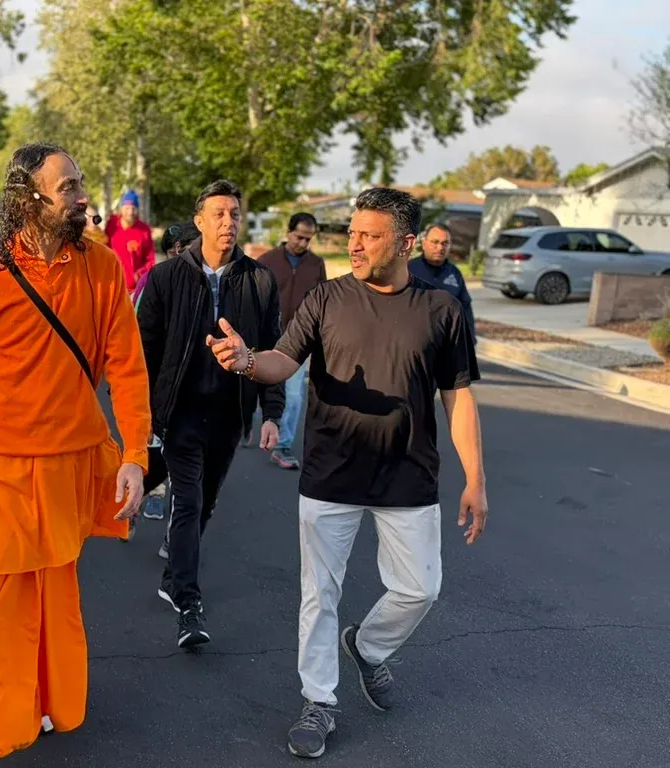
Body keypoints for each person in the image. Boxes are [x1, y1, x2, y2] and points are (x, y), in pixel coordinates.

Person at [207, 187, 488, 759]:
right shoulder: (327, 297)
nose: (354, 244)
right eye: (352, 233)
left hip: (408, 473)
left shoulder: (442, 309)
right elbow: (284, 360)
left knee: (420, 587)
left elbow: (457, 397)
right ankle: (319, 701)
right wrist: (248, 361)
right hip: (331, 471)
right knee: (320, 594)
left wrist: (476, 478)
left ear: (406, 242)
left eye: (369, 235)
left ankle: (369, 645)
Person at [0, 142, 151, 768]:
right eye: (69, 187)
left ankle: (48, 701)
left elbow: (127, 368)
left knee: (55, 590)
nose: (83, 197)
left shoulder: (103, 267)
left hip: (71, 461)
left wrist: (135, 453)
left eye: (81, 184)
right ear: (28, 198)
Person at [136, 179, 285, 648]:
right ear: (198, 221)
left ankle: (171, 573)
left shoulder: (260, 280)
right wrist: (142, 415)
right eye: (218, 213)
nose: (228, 222)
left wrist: (271, 413)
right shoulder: (166, 278)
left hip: (229, 414)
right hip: (180, 413)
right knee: (189, 500)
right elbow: (143, 353)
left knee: (208, 500)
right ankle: (187, 600)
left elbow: (272, 350)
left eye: (235, 214)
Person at [136, 219, 201, 526]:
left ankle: (175, 536)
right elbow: (137, 338)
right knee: (156, 449)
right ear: (178, 250)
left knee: (188, 464)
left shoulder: (210, 284)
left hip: (194, 390)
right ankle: (143, 496)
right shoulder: (152, 281)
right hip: (156, 384)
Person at [256, 212, 327, 470]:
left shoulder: (316, 265)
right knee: (258, 388)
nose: (303, 243)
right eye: (299, 237)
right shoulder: (266, 262)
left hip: (299, 341)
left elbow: (323, 302)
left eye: (308, 239)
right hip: (265, 337)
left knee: (294, 395)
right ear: (288, 233)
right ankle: (250, 424)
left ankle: (283, 445)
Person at [408, 221, 476, 343]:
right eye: (435, 242)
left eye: (445, 243)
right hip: (413, 340)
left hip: (446, 343)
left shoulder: (454, 273)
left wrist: (470, 339)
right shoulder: (409, 269)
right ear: (424, 243)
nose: (440, 247)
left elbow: (465, 308)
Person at [105, 189, 154, 291]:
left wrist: (138, 276)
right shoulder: (112, 225)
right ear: (121, 208)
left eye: (133, 208)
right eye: (127, 208)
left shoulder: (144, 230)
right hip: (112, 285)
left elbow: (150, 260)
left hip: (134, 289)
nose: (130, 212)